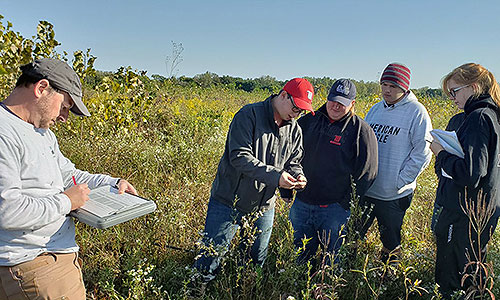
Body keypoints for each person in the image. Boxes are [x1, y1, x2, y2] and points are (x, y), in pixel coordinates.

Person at [0, 58, 137, 300]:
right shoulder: (4, 133)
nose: (64, 117)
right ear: (41, 88)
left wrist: (111, 183)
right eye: (64, 106)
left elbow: (67, 174)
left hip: (47, 260)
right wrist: (66, 203)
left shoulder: (41, 132)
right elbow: (7, 210)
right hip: (34, 265)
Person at [193, 78, 315, 282]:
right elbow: (239, 156)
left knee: (254, 261)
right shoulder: (248, 115)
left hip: (264, 206)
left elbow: (294, 161)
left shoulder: (294, 129)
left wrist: (298, 175)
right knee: (210, 258)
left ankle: (245, 289)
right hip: (228, 202)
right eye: (295, 108)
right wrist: (276, 177)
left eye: (301, 112)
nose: (297, 115)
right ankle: (198, 291)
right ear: (284, 95)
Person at [289, 79, 378, 266]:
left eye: (342, 103)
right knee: (301, 256)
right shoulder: (308, 121)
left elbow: (367, 173)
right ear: (327, 98)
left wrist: (345, 203)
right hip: (302, 205)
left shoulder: (361, 131)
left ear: (352, 104)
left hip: (335, 210)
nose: (335, 106)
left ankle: (327, 291)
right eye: (333, 100)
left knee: (333, 259)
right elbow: (290, 154)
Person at [431, 63, 500, 298]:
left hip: (462, 212)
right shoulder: (492, 116)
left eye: (455, 91)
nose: (452, 98)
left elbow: (470, 173)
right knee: (471, 272)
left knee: (452, 278)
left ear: (473, 87)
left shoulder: (478, 118)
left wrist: (441, 153)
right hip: (481, 211)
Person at [362, 63, 432, 263]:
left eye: (392, 85)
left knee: (390, 240)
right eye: (384, 84)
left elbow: (423, 152)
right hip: (368, 189)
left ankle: (389, 276)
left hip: (393, 193)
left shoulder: (416, 112)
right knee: (354, 233)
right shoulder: (375, 110)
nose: (386, 90)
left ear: (404, 87)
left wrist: (401, 180)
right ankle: (349, 274)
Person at [430, 112, 465, 234]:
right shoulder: (456, 120)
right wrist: (442, 176)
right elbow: (443, 148)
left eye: (455, 91)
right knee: (438, 234)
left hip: (467, 200)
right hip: (445, 191)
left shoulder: (485, 121)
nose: (453, 97)